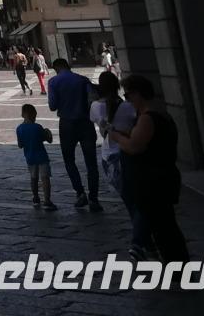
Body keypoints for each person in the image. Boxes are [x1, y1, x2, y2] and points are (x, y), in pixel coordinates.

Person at [110, 75, 187, 262]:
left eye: (128, 96)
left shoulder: (147, 118)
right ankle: (177, 269)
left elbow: (135, 146)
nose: (127, 100)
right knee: (165, 225)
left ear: (138, 94)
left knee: (163, 228)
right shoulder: (161, 114)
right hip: (162, 176)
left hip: (153, 180)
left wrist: (117, 137)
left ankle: (177, 271)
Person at [46, 57, 103, 212]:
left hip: (67, 124)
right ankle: (94, 198)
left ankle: (80, 193)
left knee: (69, 159)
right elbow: (93, 100)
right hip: (85, 123)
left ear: (56, 68)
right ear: (68, 66)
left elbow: (52, 106)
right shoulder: (83, 80)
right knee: (91, 162)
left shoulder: (54, 82)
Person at [91, 71, 136, 207]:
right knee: (136, 198)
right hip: (128, 151)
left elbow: (98, 124)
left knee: (127, 197)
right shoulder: (128, 106)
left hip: (109, 154)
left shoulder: (95, 106)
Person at [16, 103, 58, 211]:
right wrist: (47, 133)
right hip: (41, 156)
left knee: (33, 178)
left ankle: (35, 198)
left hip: (30, 156)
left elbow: (20, 145)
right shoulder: (37, 127)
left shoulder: (19, 128)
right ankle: (47, 201)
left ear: (22, 115)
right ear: (34, 115)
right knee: (45, 178)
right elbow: (47, 139)